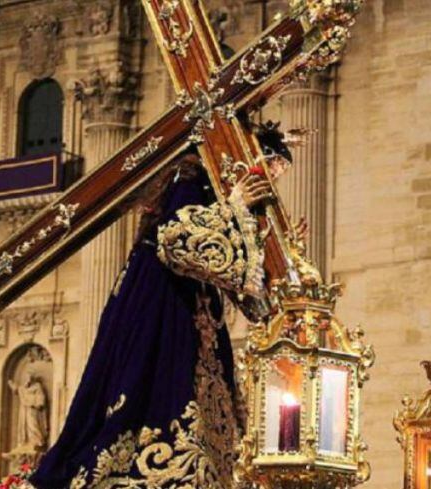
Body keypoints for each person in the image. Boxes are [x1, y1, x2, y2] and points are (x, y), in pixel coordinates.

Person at [24, 124, 299, 488]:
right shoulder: (191, 179)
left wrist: (272, 250)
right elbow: (176, 240)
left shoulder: (216, 193)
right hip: (162, 303)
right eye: (268, 171)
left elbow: (251, 298)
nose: (269, 182)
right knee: (150, 398)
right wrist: (235, 208)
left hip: (198, 308)